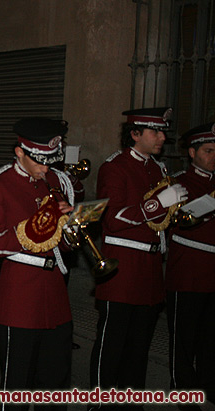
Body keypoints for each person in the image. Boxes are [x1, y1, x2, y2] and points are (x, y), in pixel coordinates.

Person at [90, 108, 187, 409]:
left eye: (163, 131)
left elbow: (160, 220)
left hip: (149, 268)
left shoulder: (157, 169)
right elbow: (114, 218)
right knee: (112, 343)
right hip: (123, 268)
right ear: (134, 134)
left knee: (139, 345)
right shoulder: (115, 167)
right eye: (155, 132)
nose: (162, 137)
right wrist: (159, 203)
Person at [0, 117, 75, 409]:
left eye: (51, 160)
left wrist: (72, 227)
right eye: (40, 161)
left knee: (56, 383)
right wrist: (29, 231)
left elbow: (64, 242)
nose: (46, 168)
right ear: (20, 151)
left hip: (56, 292)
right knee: (17, 386)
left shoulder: (57, 180)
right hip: (20, 296)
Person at [165, 123, 215, 407]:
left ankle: (209, 383)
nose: (213, 157)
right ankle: (183, 388)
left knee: (210, 336)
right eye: (208, 151)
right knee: (184, 337)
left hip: (212, 274)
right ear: (192, 152)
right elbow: (184, 218)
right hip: (188, 272)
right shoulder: (179, 182)